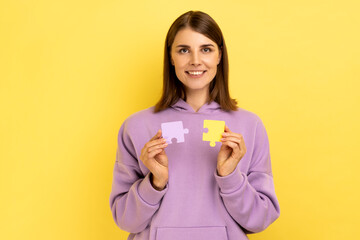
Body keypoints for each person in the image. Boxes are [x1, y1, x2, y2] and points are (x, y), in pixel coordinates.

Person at [109, 10, 280, 240]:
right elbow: (126, 220)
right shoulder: (136, 126)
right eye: (183, 50)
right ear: (171, 57)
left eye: (206, 49)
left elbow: (259, 221)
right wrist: (155, 182)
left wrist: (230, 177)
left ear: (219, 55)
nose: (196, 61)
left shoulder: (249, 126)